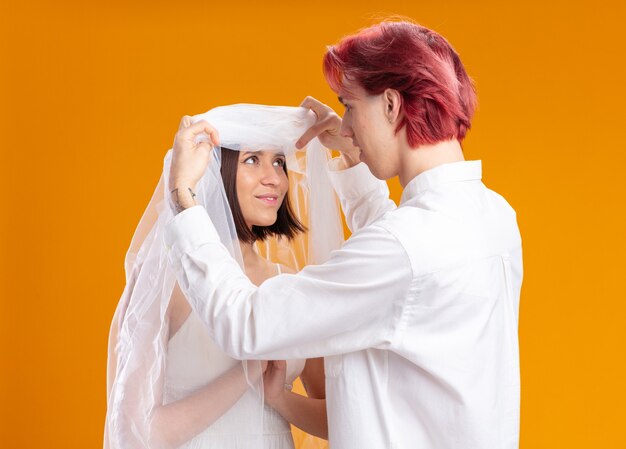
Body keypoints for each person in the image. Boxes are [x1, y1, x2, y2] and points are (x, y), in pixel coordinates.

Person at [165, 20, 523, 449]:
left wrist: (185, 200)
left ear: (391, 105)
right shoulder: (493, 216)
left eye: (351, 106)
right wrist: (353, 163)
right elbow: (402, 272)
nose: (346, 126)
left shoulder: (404, 247)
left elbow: (245, 323)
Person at [105, 105, 340, 448]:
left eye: (278, 161)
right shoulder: (169, 283)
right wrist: (248, 373)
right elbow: (136, 432)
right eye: (251, 160)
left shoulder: (292, 285)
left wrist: (278, 398)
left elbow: (336, 417)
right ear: (215, 169)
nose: (273, 177)